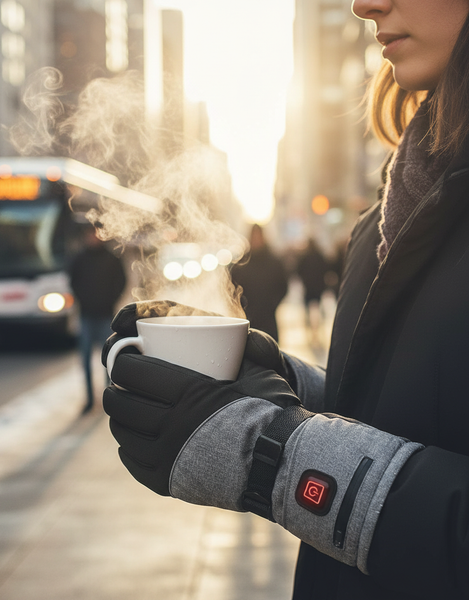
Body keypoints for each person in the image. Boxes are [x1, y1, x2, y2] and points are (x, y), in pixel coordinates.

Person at [101, 1, 469, 599]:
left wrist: (273, 456)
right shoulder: (390, 210)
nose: (364, 4)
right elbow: (430, 416)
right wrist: (283, 389)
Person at [69, 224, 126, 413]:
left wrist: (111, 299)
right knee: (85, 360)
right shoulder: (79, 259)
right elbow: (72, 281)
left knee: (108, 360)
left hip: (106, 316)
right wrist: (82, 298)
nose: (93, 238)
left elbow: (121, 281)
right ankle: (89, 399)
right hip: (86, 316)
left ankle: (109, 397)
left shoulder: (112, 259)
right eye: (89, 235)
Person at [230, 224, 289, 341]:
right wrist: (241, 306)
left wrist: (273, 304)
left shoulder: (274, 262)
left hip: (268, 318)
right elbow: (232, 287)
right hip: (247, 318)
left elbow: (283, 285)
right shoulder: (242, 263)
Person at [295, 238, 330, 343]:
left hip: (308, 286)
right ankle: (318, 330)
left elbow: (298, 270)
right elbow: (326, 268)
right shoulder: (320, 255)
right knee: (318, 308)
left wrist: (305, 279)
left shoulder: (304, 256)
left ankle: (309, 331)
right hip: (318, 286)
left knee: (307, 310)